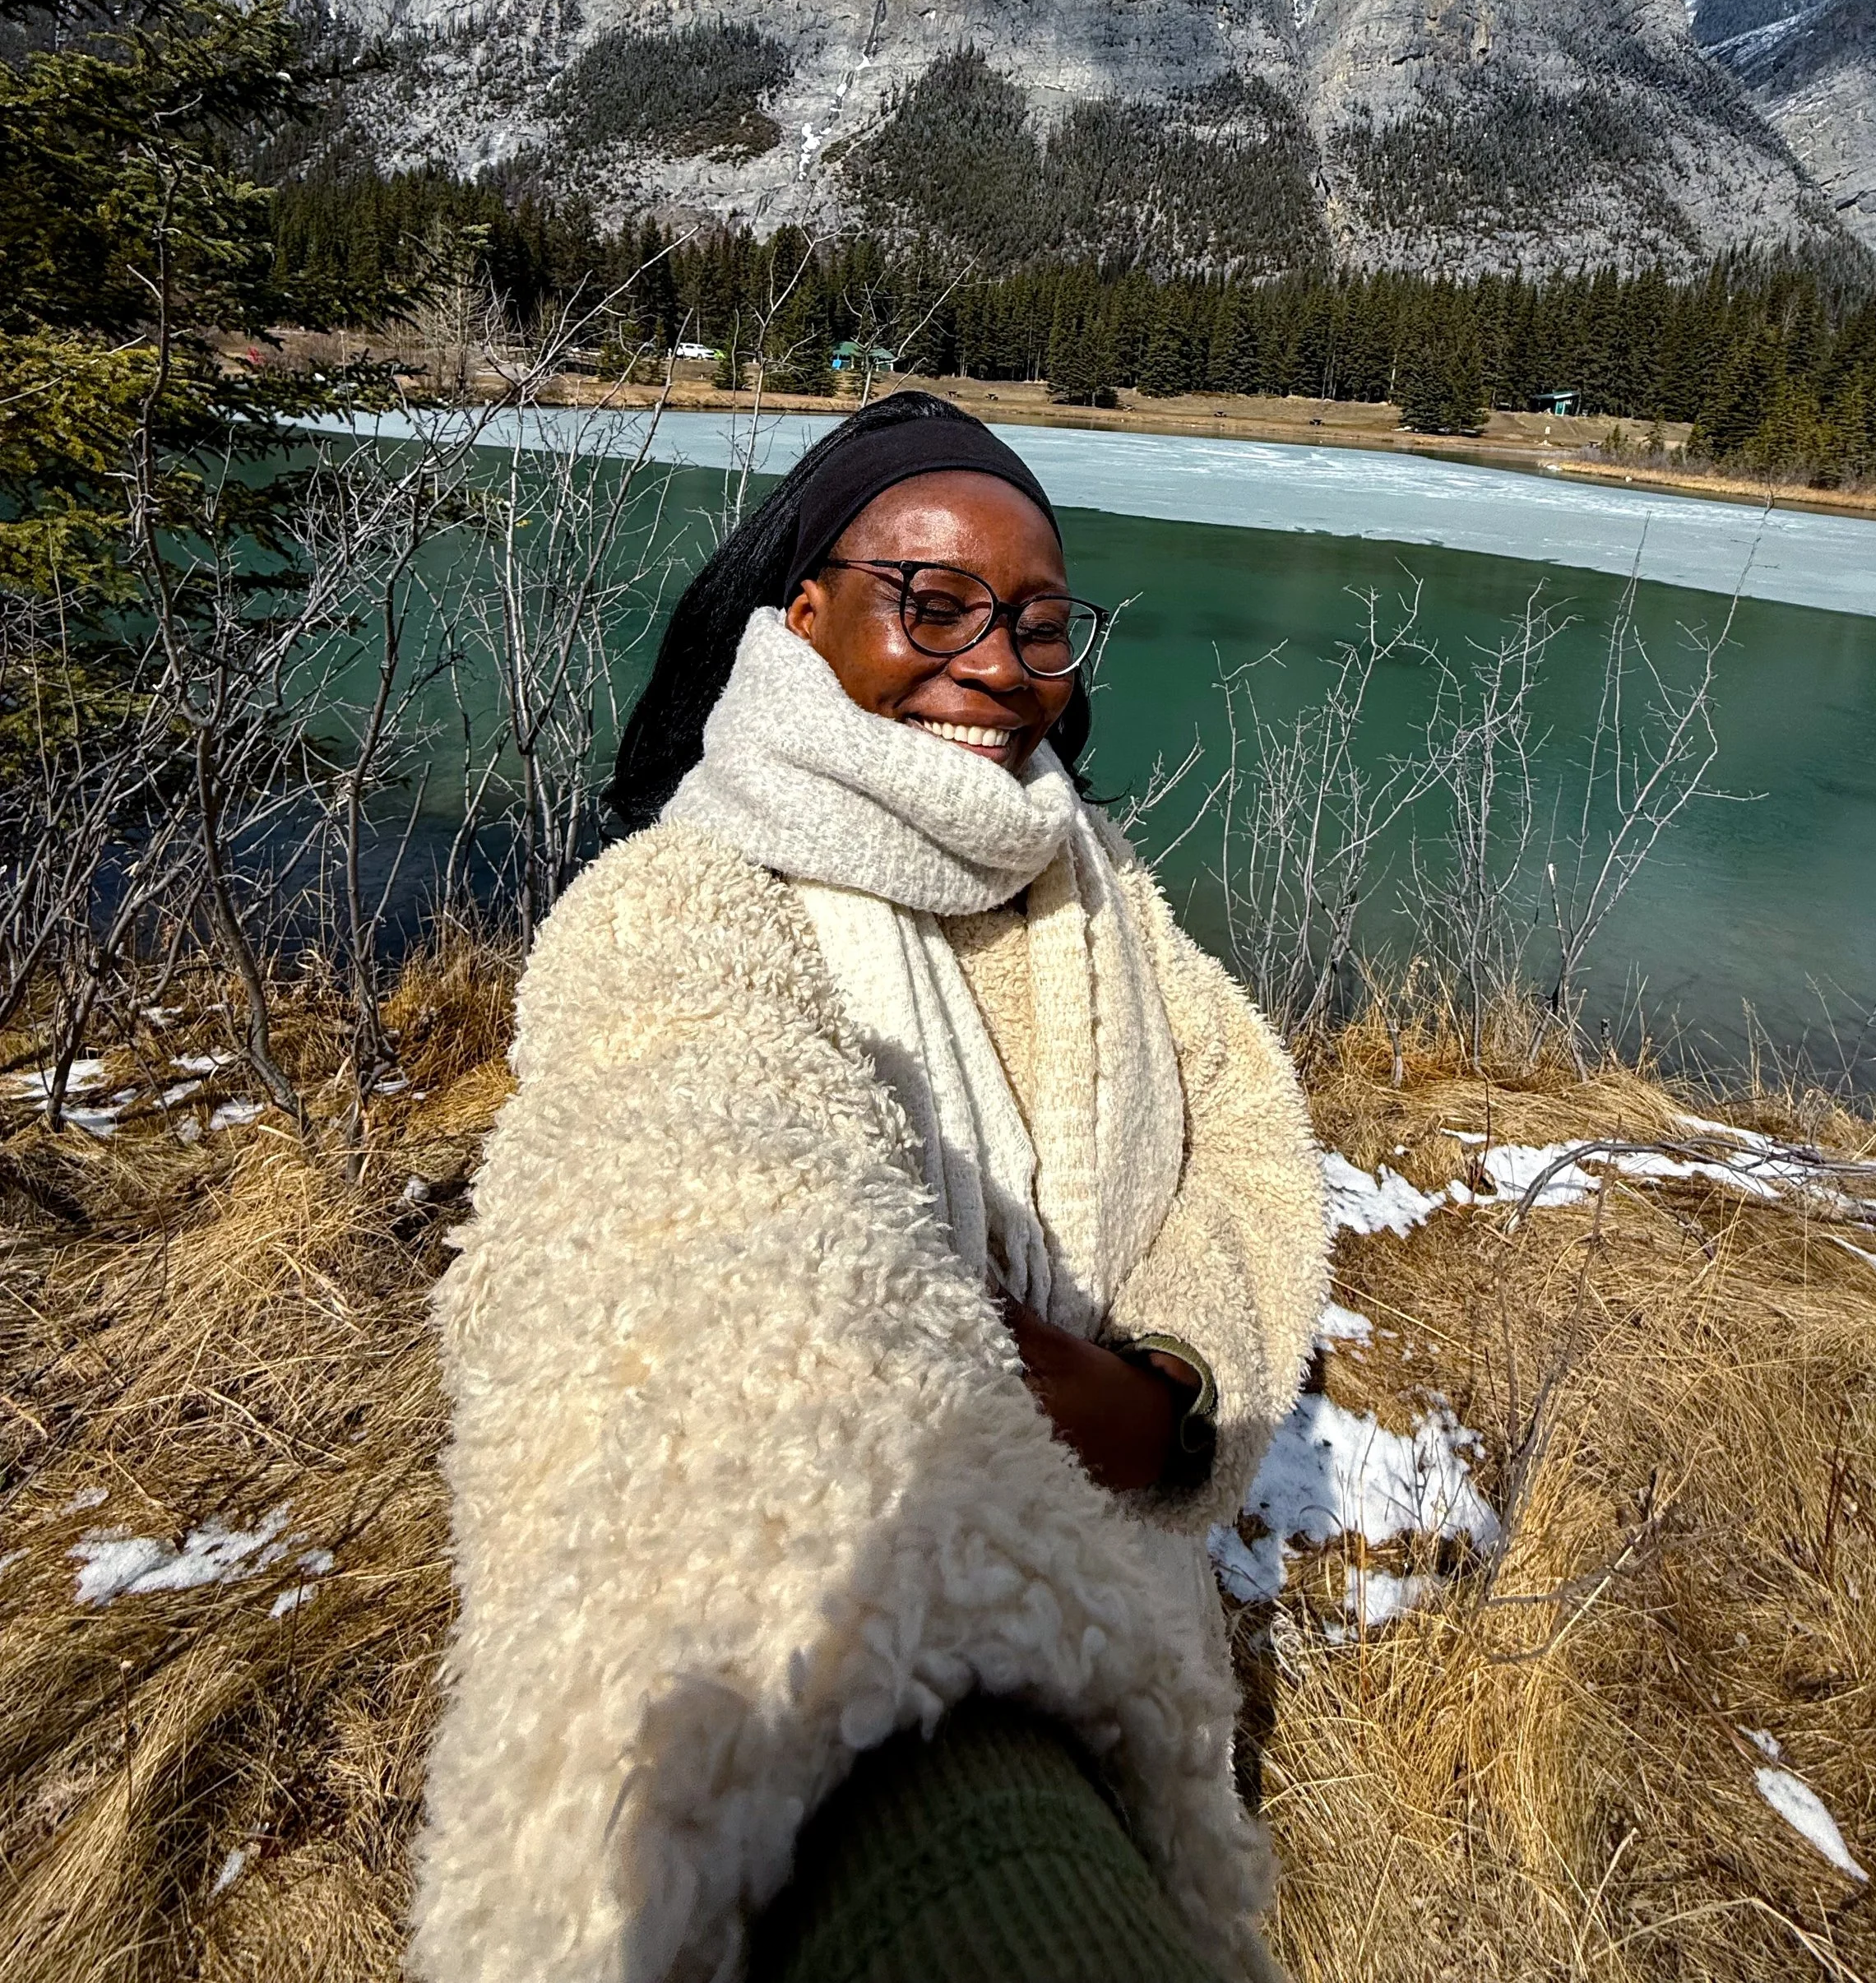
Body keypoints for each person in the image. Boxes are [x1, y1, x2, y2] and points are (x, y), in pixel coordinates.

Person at [410, 392, 1327, 1983]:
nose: (998, 663)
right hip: (880, 1687)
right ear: (804, 611)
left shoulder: (1101, 895)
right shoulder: (674, 907)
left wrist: (1171, 1386)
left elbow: (1244, 1148)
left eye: (1042, 622)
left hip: (1139, 1636)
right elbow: (703, 1223)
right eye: (937, 601)